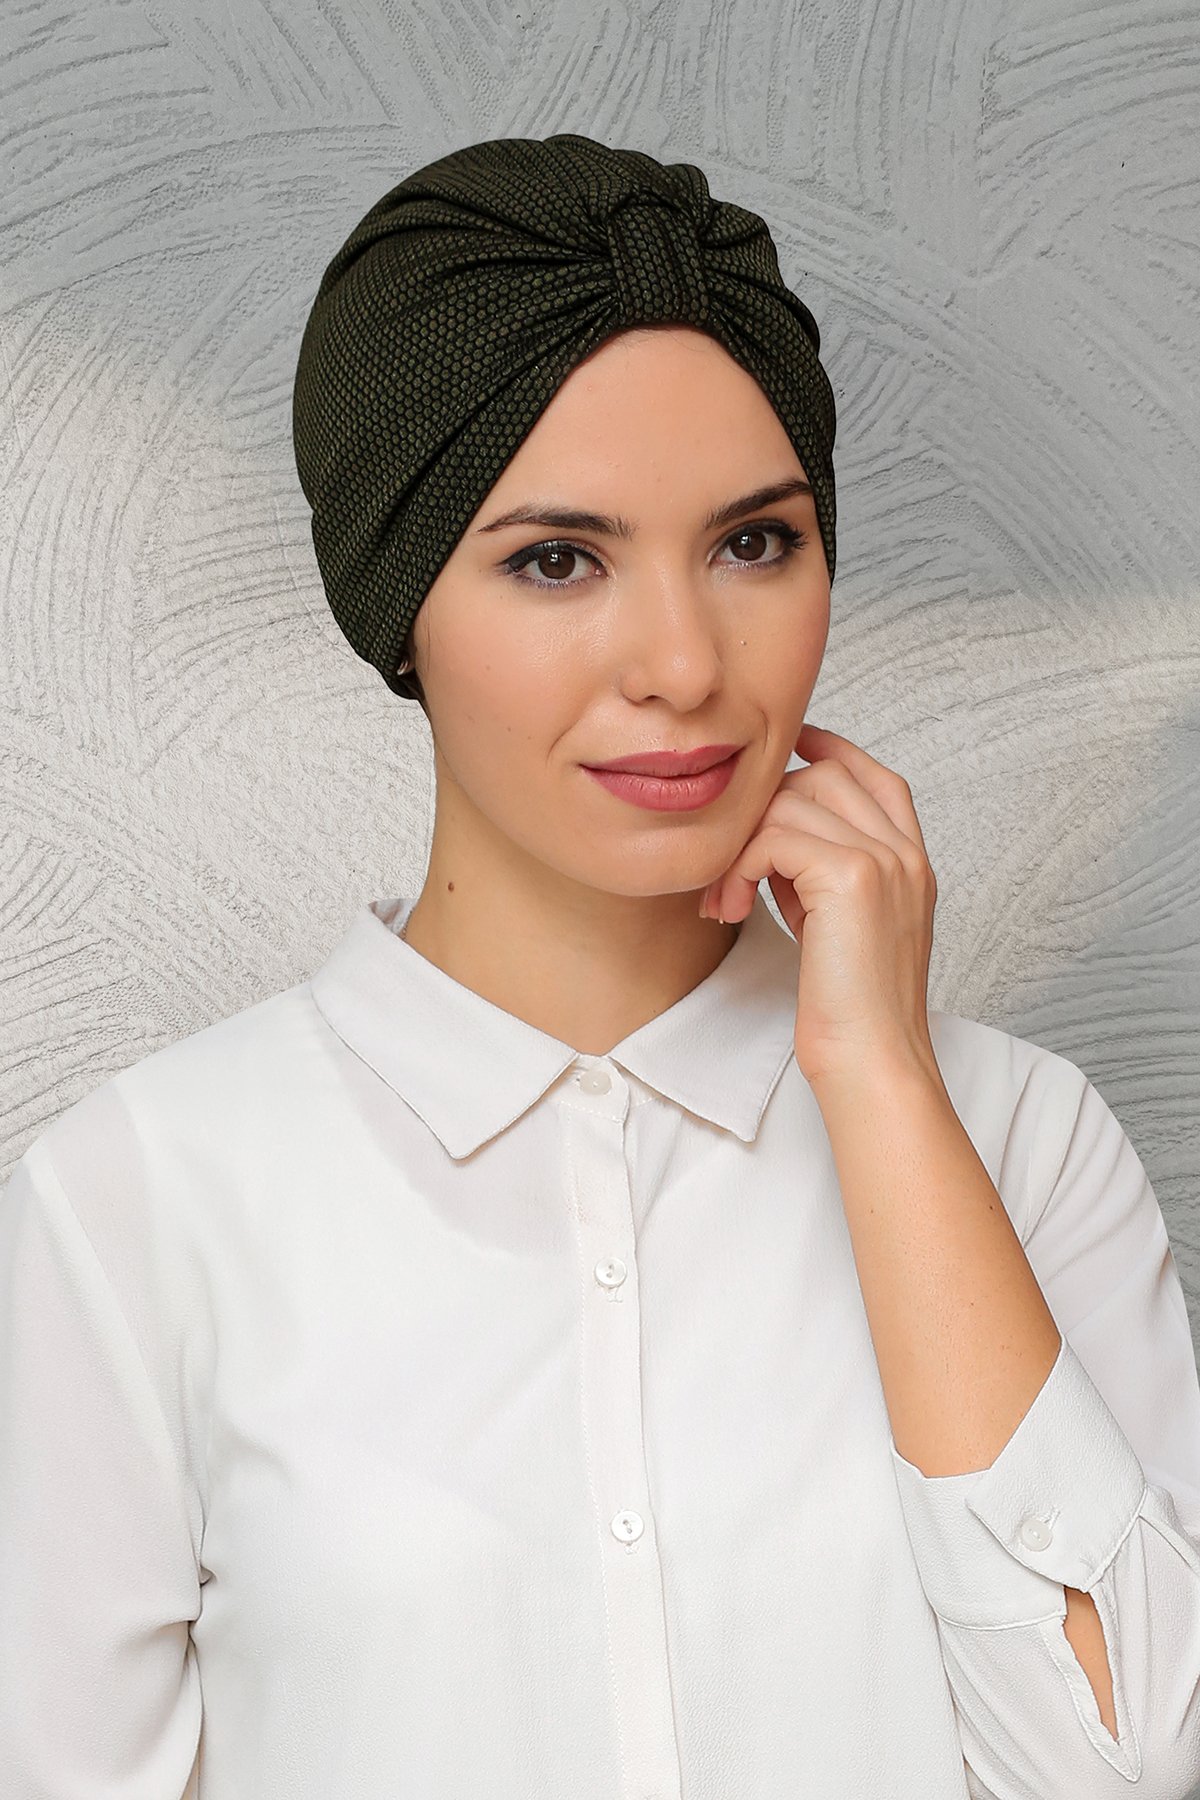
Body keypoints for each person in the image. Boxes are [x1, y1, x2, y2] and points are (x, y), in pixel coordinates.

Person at [1, 133, 1199, 1800]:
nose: (684, 665)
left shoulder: (1021, 1142)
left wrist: (879, 1083)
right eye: (556, 560)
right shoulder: (138, 1205)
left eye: (755, 543)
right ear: (397, 600)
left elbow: (1134, 1770)